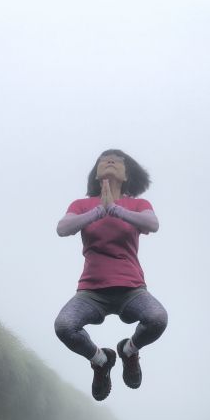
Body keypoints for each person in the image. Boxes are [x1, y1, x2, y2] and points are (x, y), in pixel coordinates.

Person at [54, 149, 168, 402]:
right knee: (64, 327)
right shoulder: (81, 205)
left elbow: (152, 224)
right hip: (91, 292)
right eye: (104, 159)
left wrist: (114, 209)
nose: (110, 161)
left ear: (127, 175)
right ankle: (101, 361)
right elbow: (63, 228)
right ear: (96, 173)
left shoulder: (137, 205)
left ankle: (129, 351)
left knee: (157, 319)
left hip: (131, 289)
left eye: (117, 160)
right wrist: (98, 211)